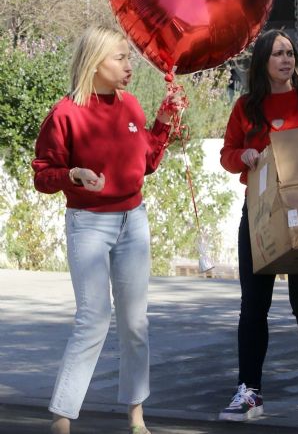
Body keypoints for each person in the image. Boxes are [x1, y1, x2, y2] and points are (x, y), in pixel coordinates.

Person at [32, 25, 182, 434]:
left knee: (136, 323)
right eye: (122, 57)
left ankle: (136, 416)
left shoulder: (131, 106)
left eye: (129, 57)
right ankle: (62, 419)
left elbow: (146, 162)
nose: (130, 65)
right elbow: (42, 175)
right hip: (89, 224)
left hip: (134, 221)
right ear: (96, 62)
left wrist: (163, 123)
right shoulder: (65, 114)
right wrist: (72, 174)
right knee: (93, 318)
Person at [219, 29, 298, 421]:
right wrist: (245, 155)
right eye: (277, 54)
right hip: (259, 216)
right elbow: (227, 154)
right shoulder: (246, 107)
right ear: (262, 62)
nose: (286, 60)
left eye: (289, 53)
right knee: (254, 306)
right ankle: (250, 391)